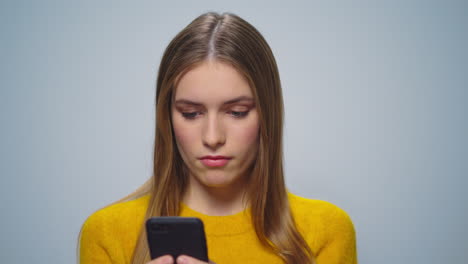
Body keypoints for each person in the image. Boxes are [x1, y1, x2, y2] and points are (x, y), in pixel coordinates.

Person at [78, 12, 357, 264]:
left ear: (267, 115)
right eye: (190, 113)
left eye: (237, 112)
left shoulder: (325, 231)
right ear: (167, 117)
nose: (212, 137)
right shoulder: (107, 233)